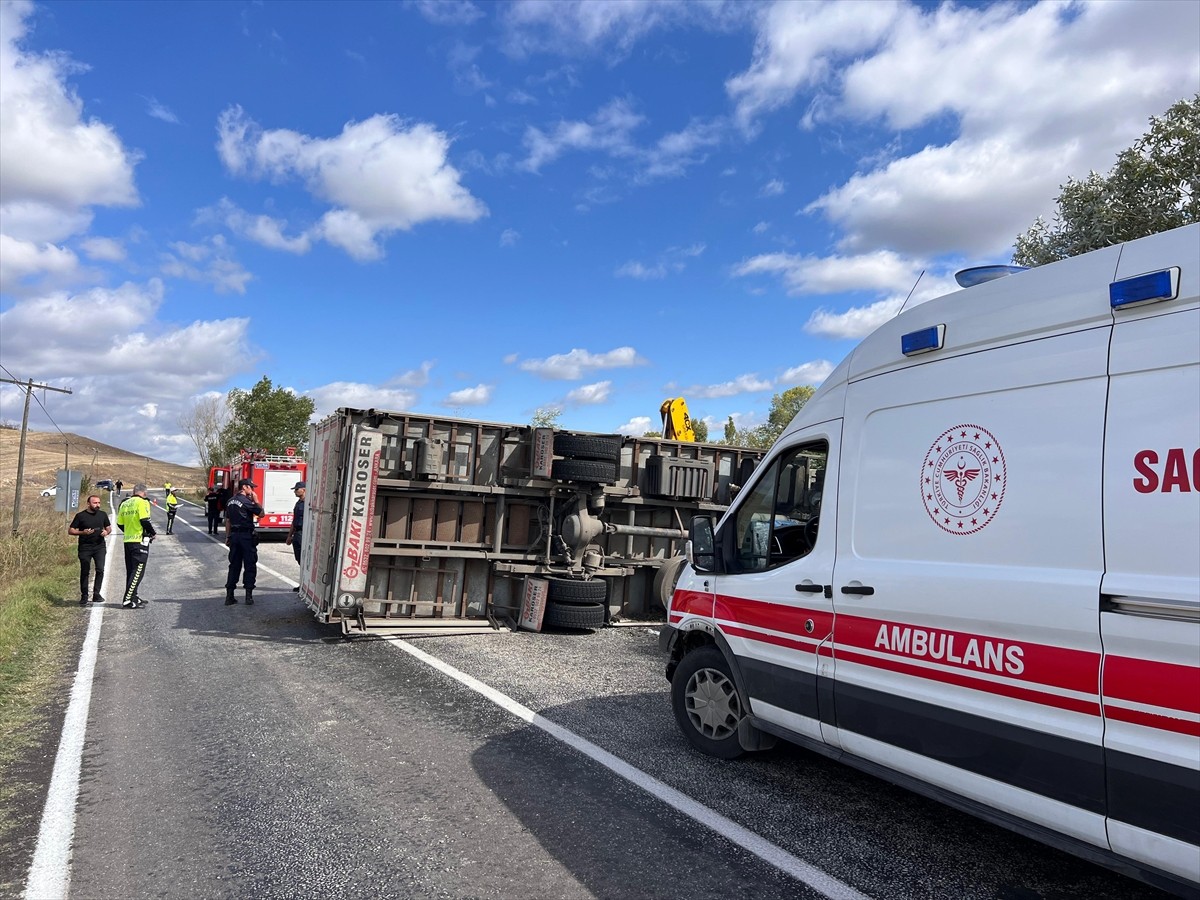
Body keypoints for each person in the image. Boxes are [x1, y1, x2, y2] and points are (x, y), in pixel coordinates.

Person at [224, 478, 264, 605]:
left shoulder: (230, 501)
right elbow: (261, 514)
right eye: (251, 487)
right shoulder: (246, 501)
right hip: (246, 536)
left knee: (234, 565)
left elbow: (228, 521)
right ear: (245, 487)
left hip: (234, 536)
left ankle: (229, 596)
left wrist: (228, 537)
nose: (252, 490)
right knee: (250, 565)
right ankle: (248, 596)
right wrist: (256, 500)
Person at [116, 484, 156, 608]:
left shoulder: (125, 503)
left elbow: (120, 524)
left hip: (128, 540)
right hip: (139, 541)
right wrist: (152, 533)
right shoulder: (142, 502)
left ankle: (134, 596)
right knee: (138, 571)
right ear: (144, 493)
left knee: (131, 571)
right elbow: (145, 520)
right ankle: (127, 599)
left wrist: (129, 531)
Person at [69, 494, 111, 605]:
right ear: (88, 503)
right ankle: (84, 595)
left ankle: (96, 594)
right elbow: (71, 530)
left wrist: (106, 532)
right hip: (85, 548)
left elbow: (108, 528)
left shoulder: (102, 514)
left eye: (99, 503)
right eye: (95, 503)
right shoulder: (80, 516)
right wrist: (82, 532)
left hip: (99, 547)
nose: (97, 505)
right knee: (85, 571)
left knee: (100, 569)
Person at [284, 480, 305, 592]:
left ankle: (304, 585)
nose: (295, 491)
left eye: (297, 489)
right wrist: (289, 535)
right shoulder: (298, 503)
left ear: (304, 490)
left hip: (303, 533)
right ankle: (302, 584)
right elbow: (294, 520)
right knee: (299, 559)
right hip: (297, 533)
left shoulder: (308, 503)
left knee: (304, 559)